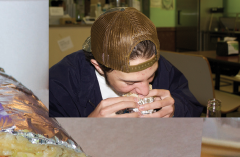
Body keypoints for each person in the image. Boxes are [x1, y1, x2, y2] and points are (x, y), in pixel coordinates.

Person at [49, 7, 203, 118]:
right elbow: (40, 141)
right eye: (130, 83)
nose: (144, 91)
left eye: (150, 77)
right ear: (99, 67)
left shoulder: (161, 66)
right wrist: (89, 127)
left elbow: (193, 106)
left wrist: (176, 110)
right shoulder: (60, 82)